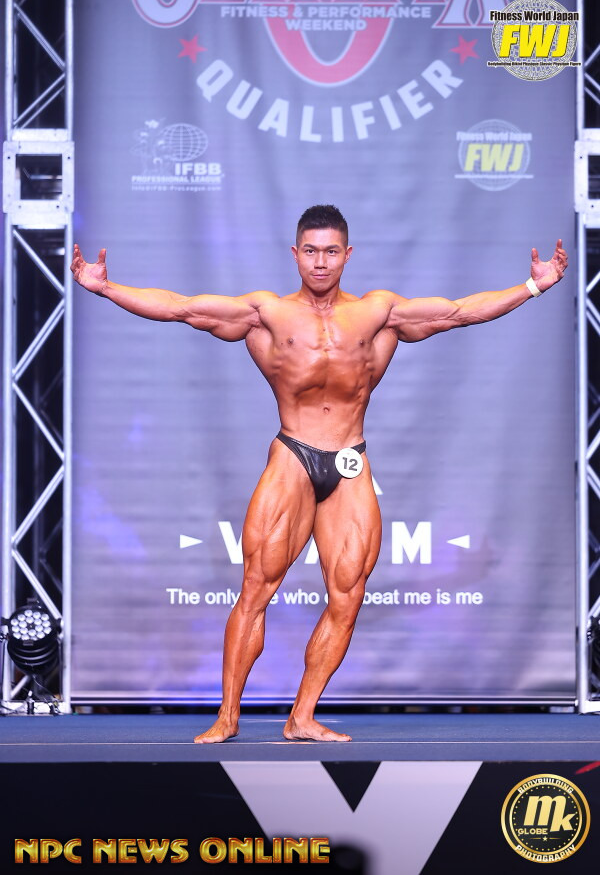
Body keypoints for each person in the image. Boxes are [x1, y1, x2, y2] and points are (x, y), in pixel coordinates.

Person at [71, 205, 568, 743]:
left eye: (331, 251)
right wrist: (106, 288)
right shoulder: (267, 313)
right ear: (296, 254)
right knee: (256, 589)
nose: (321, 262)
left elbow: (458, 312)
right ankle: (227, 716)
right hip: (294, 453)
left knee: (347, 596)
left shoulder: (378, 313)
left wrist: (532, 287)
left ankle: (302, 716)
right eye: (311, 251)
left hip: (350, 460)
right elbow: (182, 308)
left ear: (347, 255)